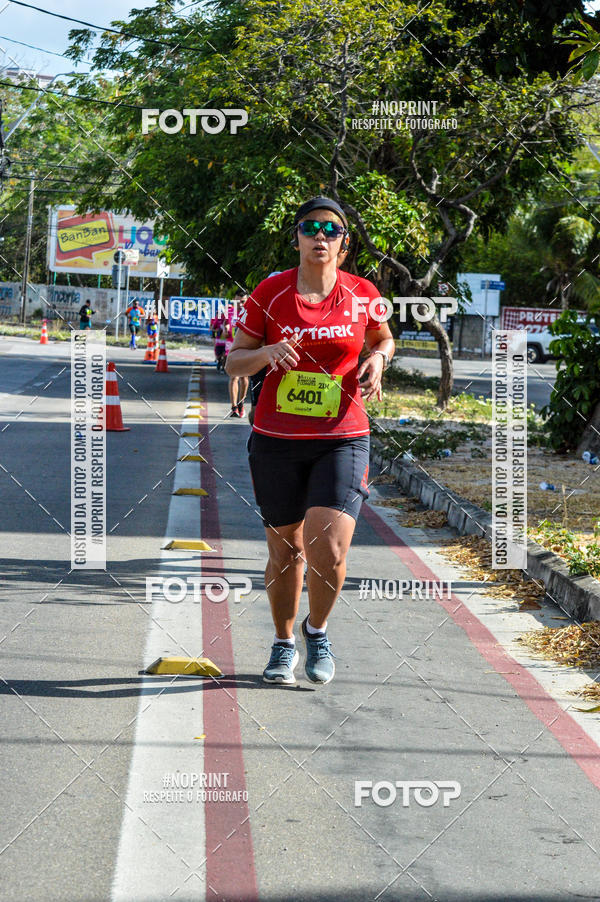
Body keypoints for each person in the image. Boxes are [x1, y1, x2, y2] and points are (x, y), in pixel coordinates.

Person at [226, 196, 395, 685]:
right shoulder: (270, 294)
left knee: (331, 549)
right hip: (277, 439)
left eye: (332, 230)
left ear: (344, 244)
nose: (320, 236)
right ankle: (283, 645)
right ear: (297, 237)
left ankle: (316, 630)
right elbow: (235, 361)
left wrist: (379, 360)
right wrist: (268, 352)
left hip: (342, 437)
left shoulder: (364, 292)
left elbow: (383, 337)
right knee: (286, 551)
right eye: (310, 228)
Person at [227, 289, 249, 417]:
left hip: (246, 347)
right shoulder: (229, 312)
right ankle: (233, 407)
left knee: (244, 378)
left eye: (243, 302)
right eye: (237, 302)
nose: (240, 305)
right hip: (231, 347)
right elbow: (225, 326)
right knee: (233, 376)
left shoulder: (251, 312)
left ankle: (241, 403)